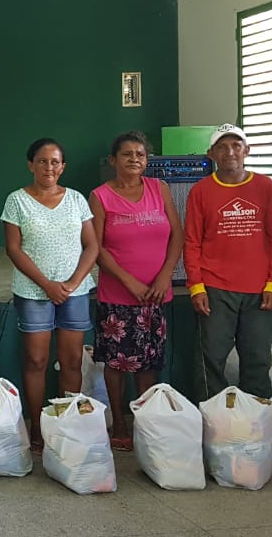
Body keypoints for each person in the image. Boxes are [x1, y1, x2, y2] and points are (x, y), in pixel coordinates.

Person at [1, 138, 97, 452]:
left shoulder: (77, 200)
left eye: (55, 162)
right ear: (31, 165)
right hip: (33, 292)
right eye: (42, 161)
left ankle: (68, 424)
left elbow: (92, 246)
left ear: (63, 167)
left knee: (71, 361)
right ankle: (39, 430)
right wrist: (47, 284)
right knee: (36, 360)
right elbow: (13, 249)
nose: (49, 167)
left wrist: (71, 283)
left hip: (75, 292)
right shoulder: (17, 200)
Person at [88, 130, 183, 451]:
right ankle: (120, 422)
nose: (134, 160)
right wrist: (128, 280)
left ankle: (146, 423)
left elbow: (177, 237)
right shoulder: (100, 196)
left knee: (149, 363)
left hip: (156, 294)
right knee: (117, 363)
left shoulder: (160, 189)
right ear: (113, 160)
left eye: (140, 155)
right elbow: (96, 247)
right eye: (127, 154)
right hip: (117, 297)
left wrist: (164, 277)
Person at [184, 124, 272, 400]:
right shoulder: (200, 191)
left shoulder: (265, 187)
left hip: (259, 290)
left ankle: (256, 423)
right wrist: (197, 287)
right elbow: (192, 241)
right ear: (211, 154)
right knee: (211, 360)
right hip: (215, 288)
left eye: (236, 145)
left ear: (247, 151)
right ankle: (214, 420)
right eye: (222, 147)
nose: (230, 152)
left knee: (257, 359)